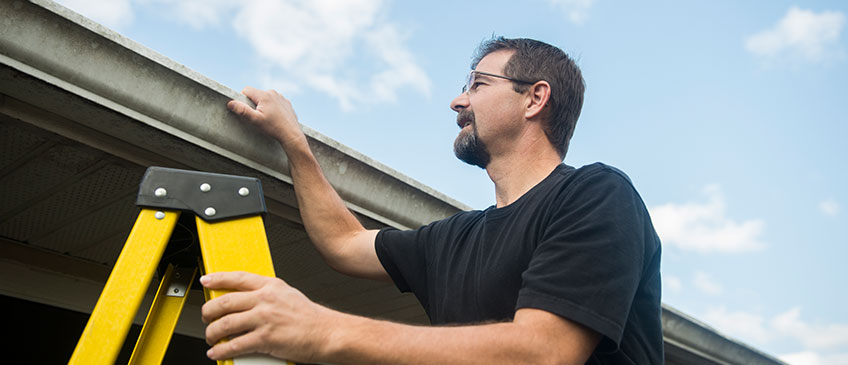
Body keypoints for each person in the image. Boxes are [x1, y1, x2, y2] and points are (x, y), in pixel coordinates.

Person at [201, 37, 664, 364]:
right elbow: (343, 243)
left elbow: (544, 352)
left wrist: (323, 331)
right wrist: (294, 143)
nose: (457, 101)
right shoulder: (454, 239)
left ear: (534, 98)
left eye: (479, 84)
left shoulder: (596, 194)